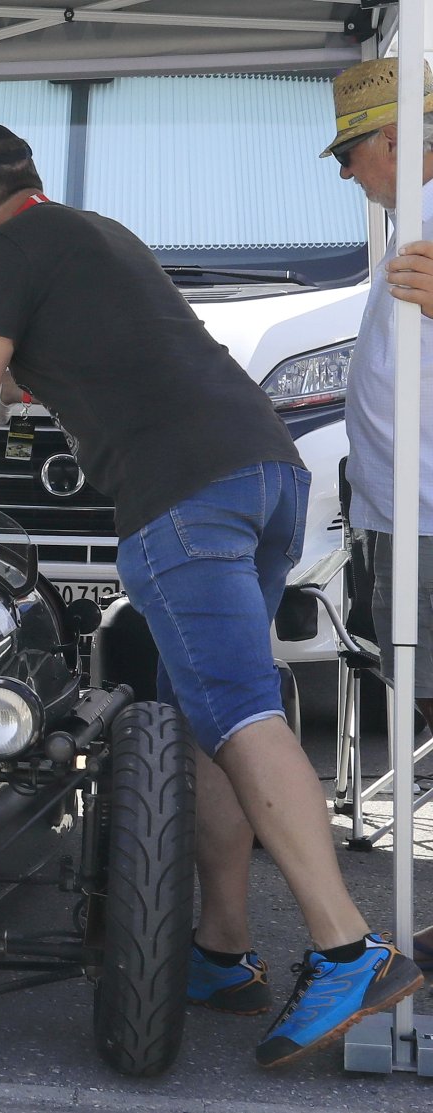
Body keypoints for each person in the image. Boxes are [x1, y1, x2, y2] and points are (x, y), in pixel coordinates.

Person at [0, 120, 423, 1067]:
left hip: (184, 497)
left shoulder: (5, 249)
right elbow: (62, 370)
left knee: (238, 711)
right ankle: (223, 951)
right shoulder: (98, 233)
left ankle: (348, 948)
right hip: (266, 471)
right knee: (206, 715)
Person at [320, 57, 433, 979]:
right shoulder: (411, 219)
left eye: (350, 153)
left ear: (394, 137)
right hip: (404, 511)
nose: (347, 172)